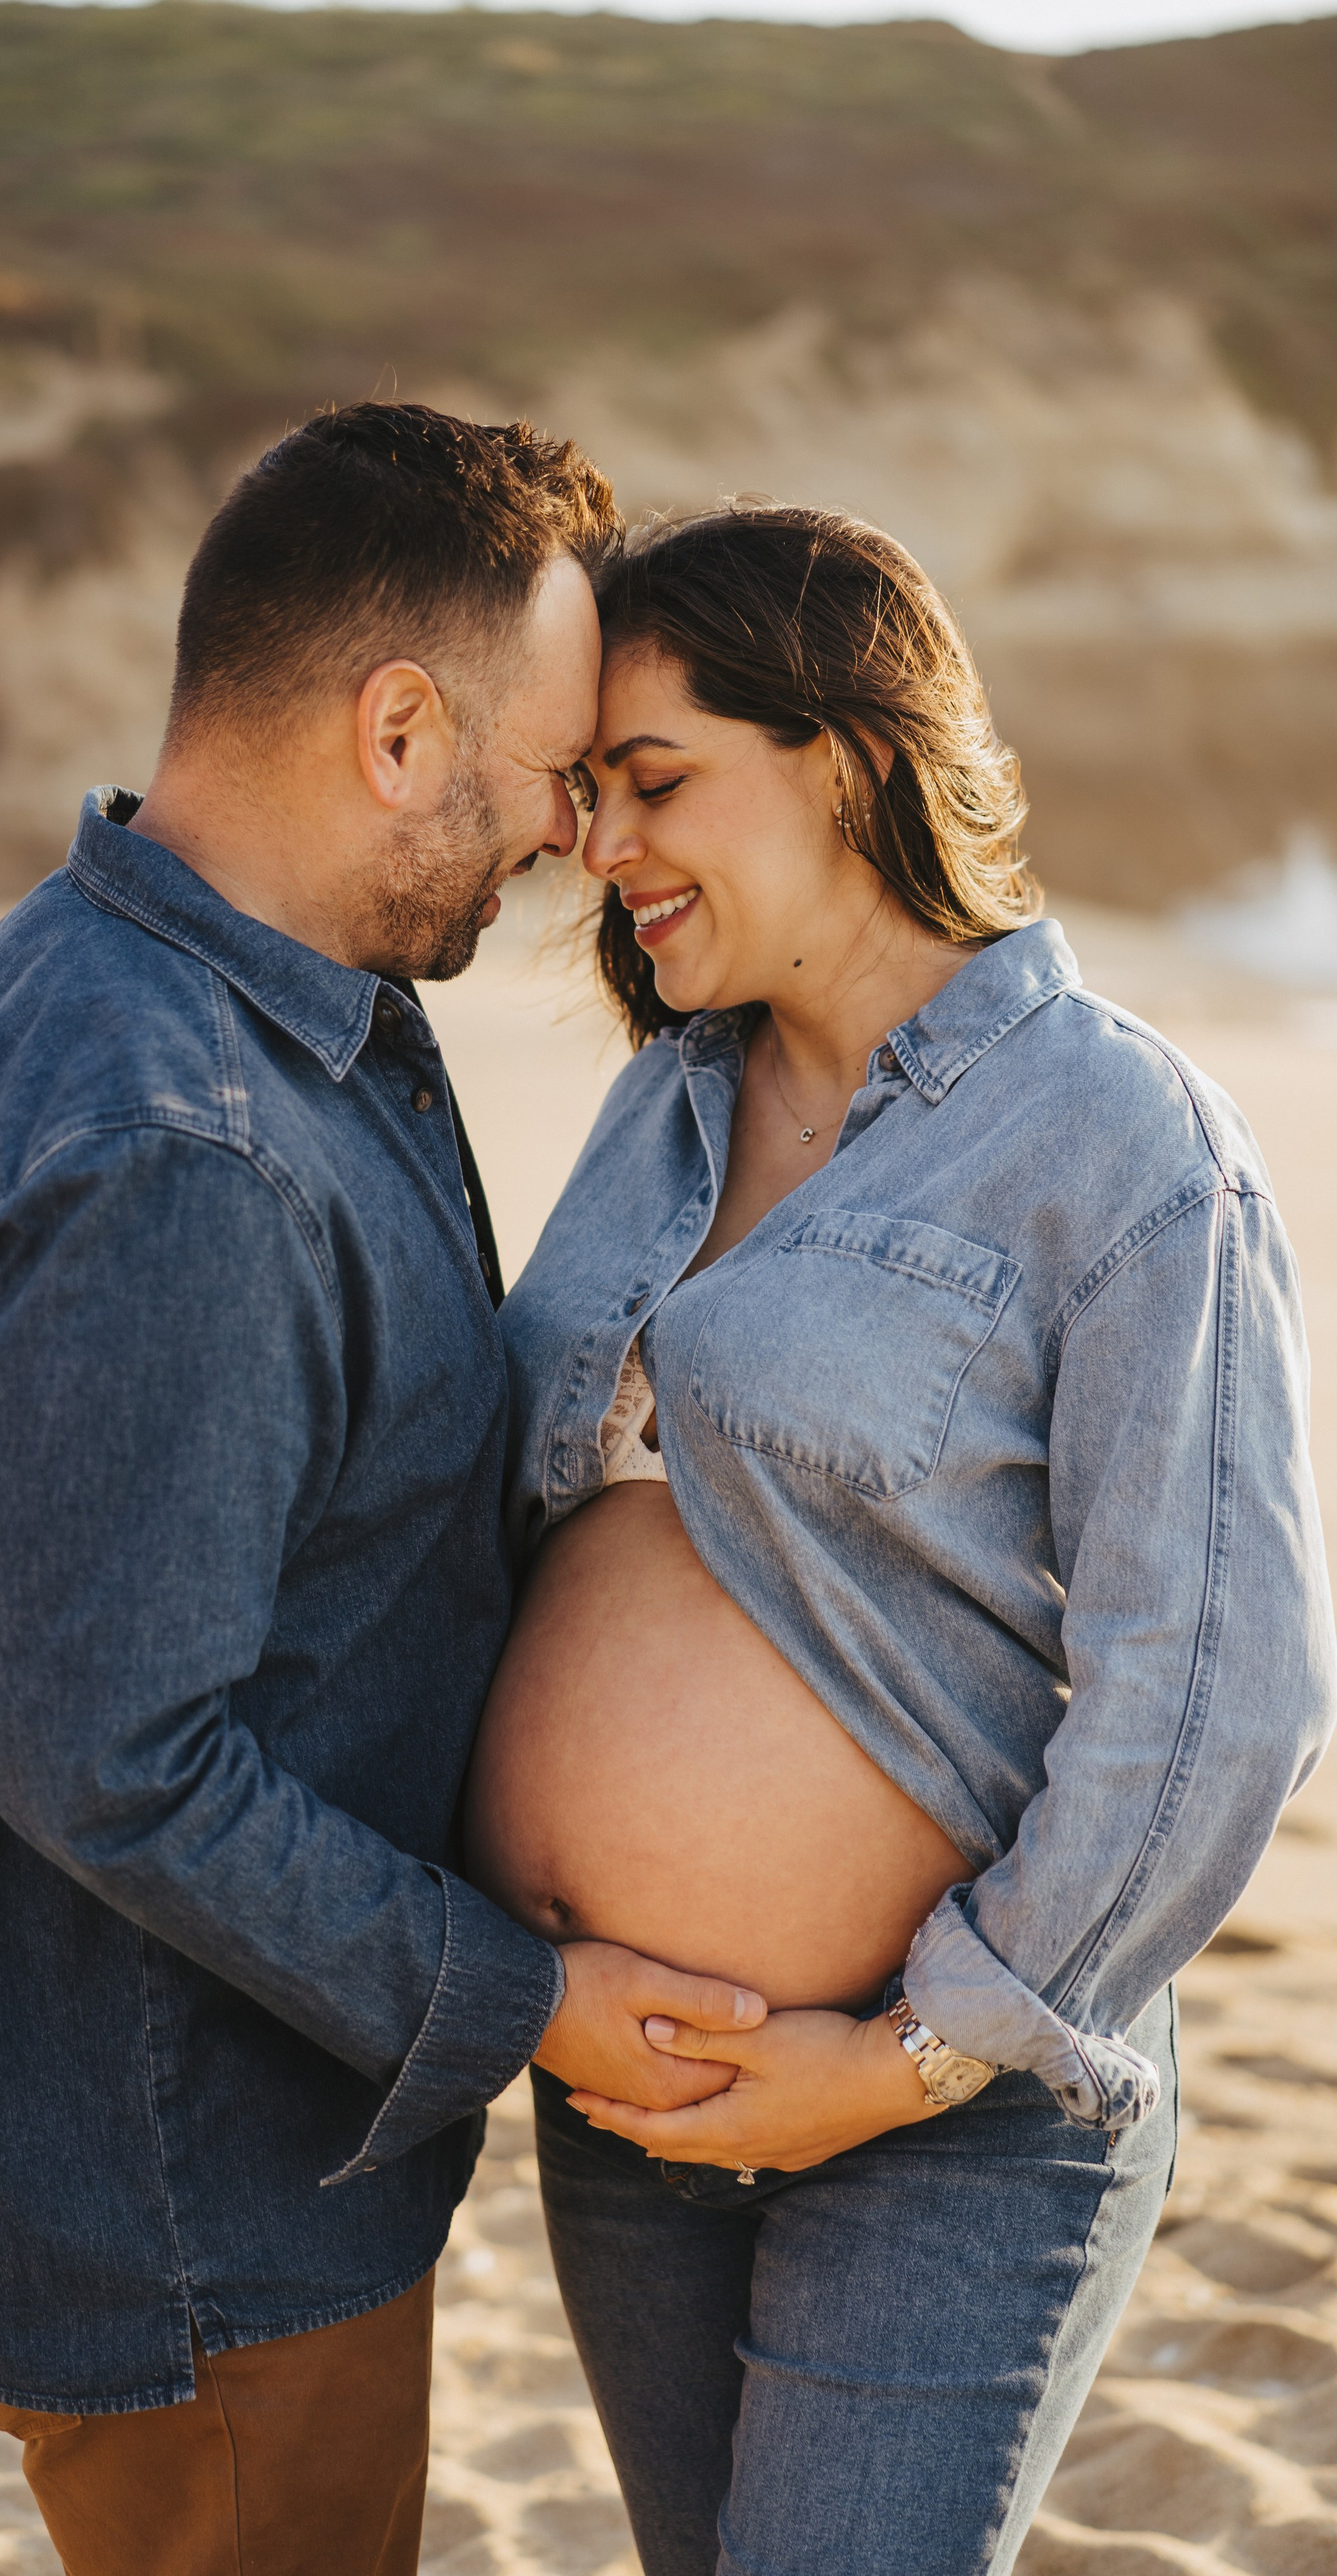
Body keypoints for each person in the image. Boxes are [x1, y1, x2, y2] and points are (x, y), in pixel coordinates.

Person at [0, 406, 767, 2576]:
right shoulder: (181, 1146)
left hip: (162, 2149)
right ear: (397, 724)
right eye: (548, 771)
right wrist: (525, 2000)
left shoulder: (163, 968)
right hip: (194, 2210)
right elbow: (121, 1758)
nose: (564, 834)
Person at [466, 504, 1336, 2576]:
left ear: (848, 760)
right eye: (587, 797)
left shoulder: (1117, 1139)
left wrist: (902, 2054)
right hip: (628, 2091)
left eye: (656, 782)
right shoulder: (662, 1107)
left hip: (948, 2109)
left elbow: (1219, 1681)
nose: (605, 847)